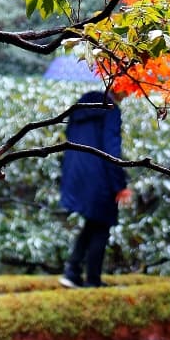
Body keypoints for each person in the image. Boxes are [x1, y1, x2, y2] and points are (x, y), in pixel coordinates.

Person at [58, 87, 130, 288]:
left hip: (75, 171)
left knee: (93, 222)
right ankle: (92, 279)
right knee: (102, 224)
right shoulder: (111, 109)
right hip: (99, 173)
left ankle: (72, 272)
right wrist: (120, 185)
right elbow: (111, 150)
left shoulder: (83, 103)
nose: (131, 92)